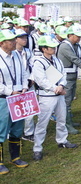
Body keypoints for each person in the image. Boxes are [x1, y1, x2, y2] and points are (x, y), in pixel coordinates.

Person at [32, 36, 77, 161]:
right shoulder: (39, 62)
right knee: (43, 122)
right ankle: (37, 148)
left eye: (54, 46)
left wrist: (61, 85)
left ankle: (62, 140)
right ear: (44, 49)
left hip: (59, 94)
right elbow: (41, 80)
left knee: (61, 119)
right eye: (51, 47)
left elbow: (63, 74)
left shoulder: (57, 60)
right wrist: (54, 88)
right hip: (47, 96)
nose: (54, 49)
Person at [57, 25, 81, 134]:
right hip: (65, 77)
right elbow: (74, 59)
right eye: (77, 36)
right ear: (70, 35)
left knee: (70, 99)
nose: (79, 38)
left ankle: (69, 120)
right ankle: (66, 124)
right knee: (66, 101)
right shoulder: (64, 46)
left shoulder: (76, 45)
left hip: (72, 76)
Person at [0, 30, 29, 174]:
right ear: (2, 43)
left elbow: (24, 73)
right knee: (1, 129)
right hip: (4, 98)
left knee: (18, 127)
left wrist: (24, 86)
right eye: (10, 40)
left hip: (19, 97)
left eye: (13, 39)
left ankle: (15, 156)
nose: (13, 42)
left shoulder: (17, 55)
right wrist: (9, 92)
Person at [13, 29, 35, 143]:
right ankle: (14, 132)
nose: (24, 40)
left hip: (28, 84)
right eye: (22, 38)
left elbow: (34, 66)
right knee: (15, 111)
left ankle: (29, 133)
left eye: (25, 38)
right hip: (15, 86)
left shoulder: (29, 52)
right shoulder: (11, 53)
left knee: (29, 110)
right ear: (15, 39)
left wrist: (31, 79)